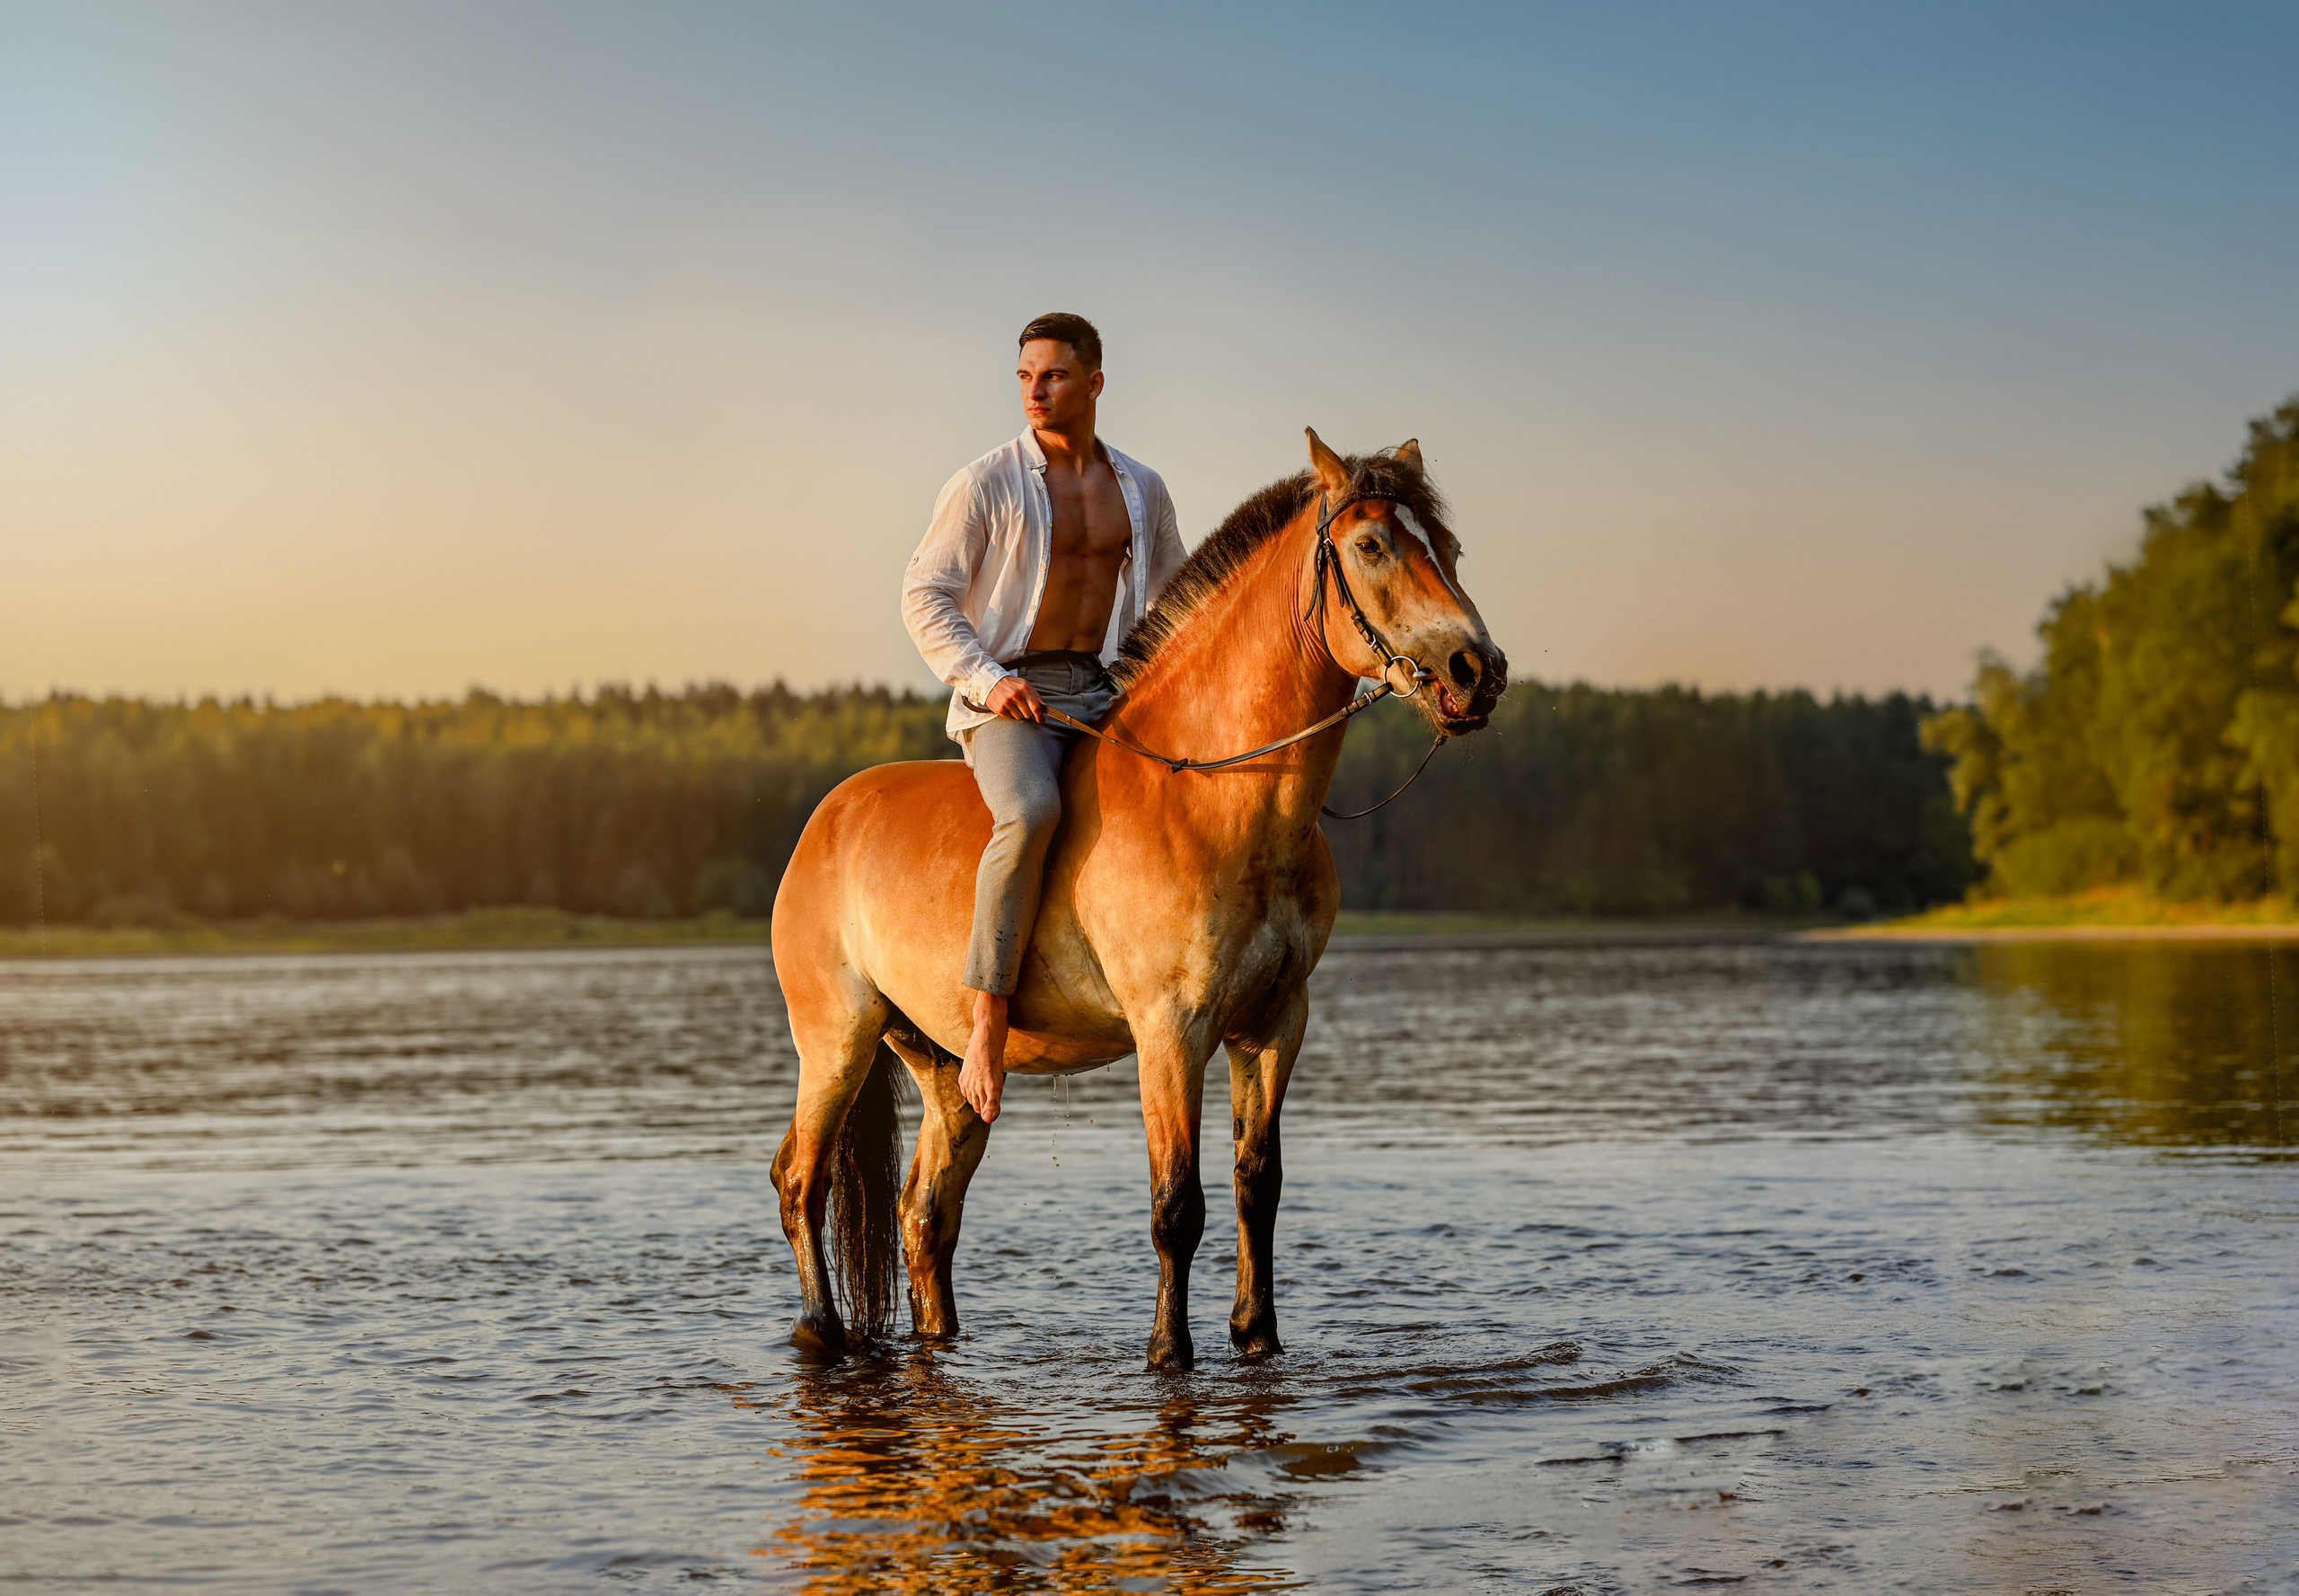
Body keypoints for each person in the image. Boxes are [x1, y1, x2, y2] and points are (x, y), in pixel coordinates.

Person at [901, 313, 1186, 1124]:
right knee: (1031, 812)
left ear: (1094, 382)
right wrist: (988, 683)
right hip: (1011, 698)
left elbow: (1172, 605)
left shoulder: (1143, 488)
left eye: (1053, 375)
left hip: (1105, 688)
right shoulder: (986, 482)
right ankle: (987, 1015)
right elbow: (924, 596)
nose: (1035, 390)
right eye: (1024, 375)